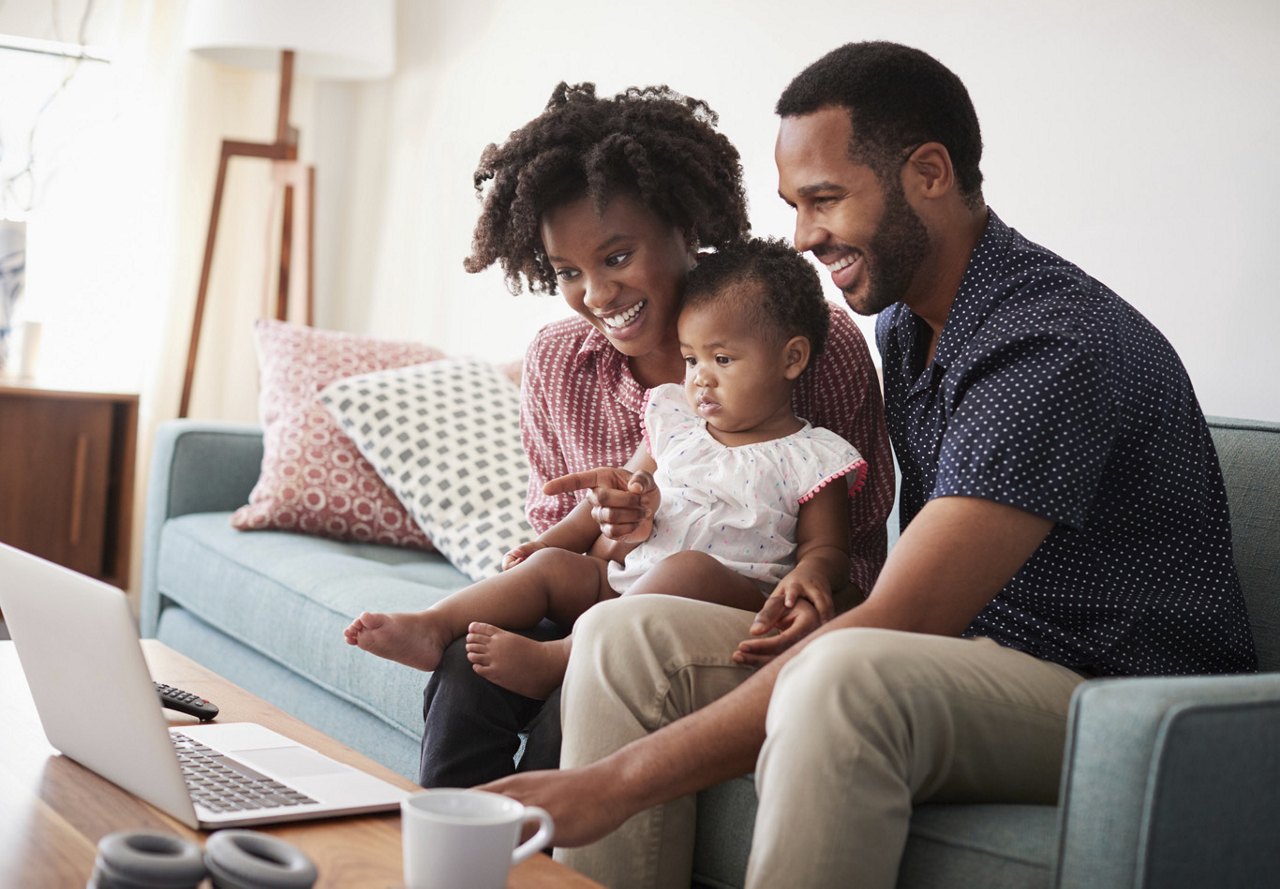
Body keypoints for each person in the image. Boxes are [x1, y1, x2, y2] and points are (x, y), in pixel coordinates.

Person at [479, 42, 1258, 889]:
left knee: (842, 676)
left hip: (1127, 697)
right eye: (795, 205)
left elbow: (906, 615)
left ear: (929, 172)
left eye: (824, 200)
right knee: (626, 633)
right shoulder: (908, 324)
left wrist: (611, 784)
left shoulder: (1046, 343)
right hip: (979, 653)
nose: (804, 236)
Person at [417, 82, 895, 789]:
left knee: (583, 697)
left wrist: (803, 592)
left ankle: (540, 859)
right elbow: (571, 557)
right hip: (607, 593)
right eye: (569, 273)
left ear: (684, 225)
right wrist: (617, 532)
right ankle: (450, 848)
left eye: (615, 258)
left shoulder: (810, 343)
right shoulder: (558, 363)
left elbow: (852, 560)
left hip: (721, 614)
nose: (597, 295)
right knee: (463, 668)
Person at [346, 237, 868, 700]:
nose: (701, 380)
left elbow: (827, 550)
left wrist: (809, 580)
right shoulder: (674, 422)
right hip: (625, 580)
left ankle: (562, 659)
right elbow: (618, 493)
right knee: (552, 571)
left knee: (688, 567)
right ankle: (434, 624)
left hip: (725, 600)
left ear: (792, 359)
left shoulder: (813, 455)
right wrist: (551, 544)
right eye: (691, 360)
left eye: (723, 360)